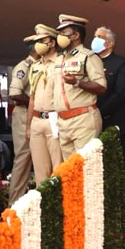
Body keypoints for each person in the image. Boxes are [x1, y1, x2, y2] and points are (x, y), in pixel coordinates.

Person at [53, 14, 106, 159]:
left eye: (64, 33)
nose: (60, 36)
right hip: (63, 122)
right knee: (69, 170)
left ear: (76, 35)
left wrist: (77, 82)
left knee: (86, 167)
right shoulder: (59, 58)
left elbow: (101, 87)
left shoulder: (88, 56)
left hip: (83, 119)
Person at [26, 25, 63, 185]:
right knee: (40, 172)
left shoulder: (62, 63)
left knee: (58, 169)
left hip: (55, 119)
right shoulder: (35, 66)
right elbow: (31, 98)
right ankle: (44, 208)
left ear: (52, 42)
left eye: (42, 40)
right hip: (36, 121)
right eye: (36, 41)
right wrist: (28, 126)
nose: (38, 44)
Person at [93, 25, 125, 156]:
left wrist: (100, 112)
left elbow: (120, 94)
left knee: (115, 165)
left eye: (99, 37)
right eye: (95, 37)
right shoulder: (91, 61)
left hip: (113, 121)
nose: (95, 40)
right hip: (91, 122)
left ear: (109, 43)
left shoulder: (122, 63)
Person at [7, 35, 38, 204]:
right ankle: (15, 203)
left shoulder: (41, 66)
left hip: (39, 116)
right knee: (23, 159)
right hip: (24, 114)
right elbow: (15, 94)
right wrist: (36, 102)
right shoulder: (24, 66)